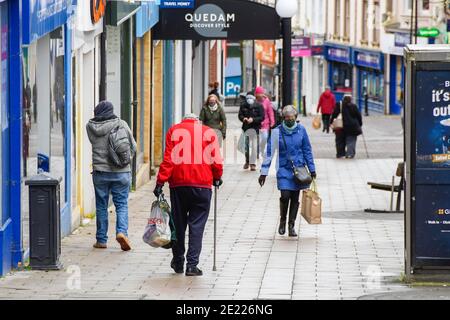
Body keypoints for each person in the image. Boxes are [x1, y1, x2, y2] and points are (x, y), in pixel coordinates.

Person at [153, 114, 223, 277]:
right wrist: (217, 177)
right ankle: (192, 265)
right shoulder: (208, 132)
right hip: (202, 185)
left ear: (183, 120)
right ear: (197, 121)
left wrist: (160, 181)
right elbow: (216, 160)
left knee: (178, 224)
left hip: (179, 185)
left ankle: (178, 262)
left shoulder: (174, 131)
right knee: (196, 226)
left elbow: (169, 159)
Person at [258, 105, 316, 237]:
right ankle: (283, 220)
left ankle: (291, 225)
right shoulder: (277, 132)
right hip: (284, 169)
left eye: (292, 118)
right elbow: (269, 152)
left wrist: (312, 169)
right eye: (287, 118)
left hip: (299, 170)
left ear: (296, 117)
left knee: (295, 198)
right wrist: (264, 172)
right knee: (285, 196)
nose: (290, 120)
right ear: (283, 118)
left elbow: (307, 150)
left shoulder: (301, 130)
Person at [86, 101, 137, 251]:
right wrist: (126, 161)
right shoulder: (121, 124)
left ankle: (101, 240)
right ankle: (122, 232)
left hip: (100, 172)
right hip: (121, 172)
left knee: (101, 206)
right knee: (121, 204)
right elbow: (133, 146)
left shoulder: (90, 127)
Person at [330, 95, 363, 159]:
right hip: (352, 127)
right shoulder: (354, 106)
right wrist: (360, 124)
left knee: (340, 141)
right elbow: (359, 116)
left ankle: (340, 154)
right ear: (350, 99)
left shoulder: (339, 105)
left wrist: (331, 122)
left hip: (340, 126)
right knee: (351, 141)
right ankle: (350, 154)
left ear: (343, 99)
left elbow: (334, 114)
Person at [238, 92, 265, 171]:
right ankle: (247, 161)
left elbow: (262, 117)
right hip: (246, 129)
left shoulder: (259, 106)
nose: (249, 100)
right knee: (246, 147)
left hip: (255, 129)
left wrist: (253, 120)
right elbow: (240, 115)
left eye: (251, 98)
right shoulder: (243, 105)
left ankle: (252, 164)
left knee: (254, 147)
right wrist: (243, 119)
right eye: (248, 98)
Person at [255, 86, 275, 157]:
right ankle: (257, 151)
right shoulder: (255, 101)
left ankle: (261, 149)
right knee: (257, 139)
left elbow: (270, 112)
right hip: (257, 123)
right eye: (259, 94)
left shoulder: (267, 101)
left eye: (261, 94)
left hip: (265, 124)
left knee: (264, 137)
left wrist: (272, 121)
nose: (260, 96)